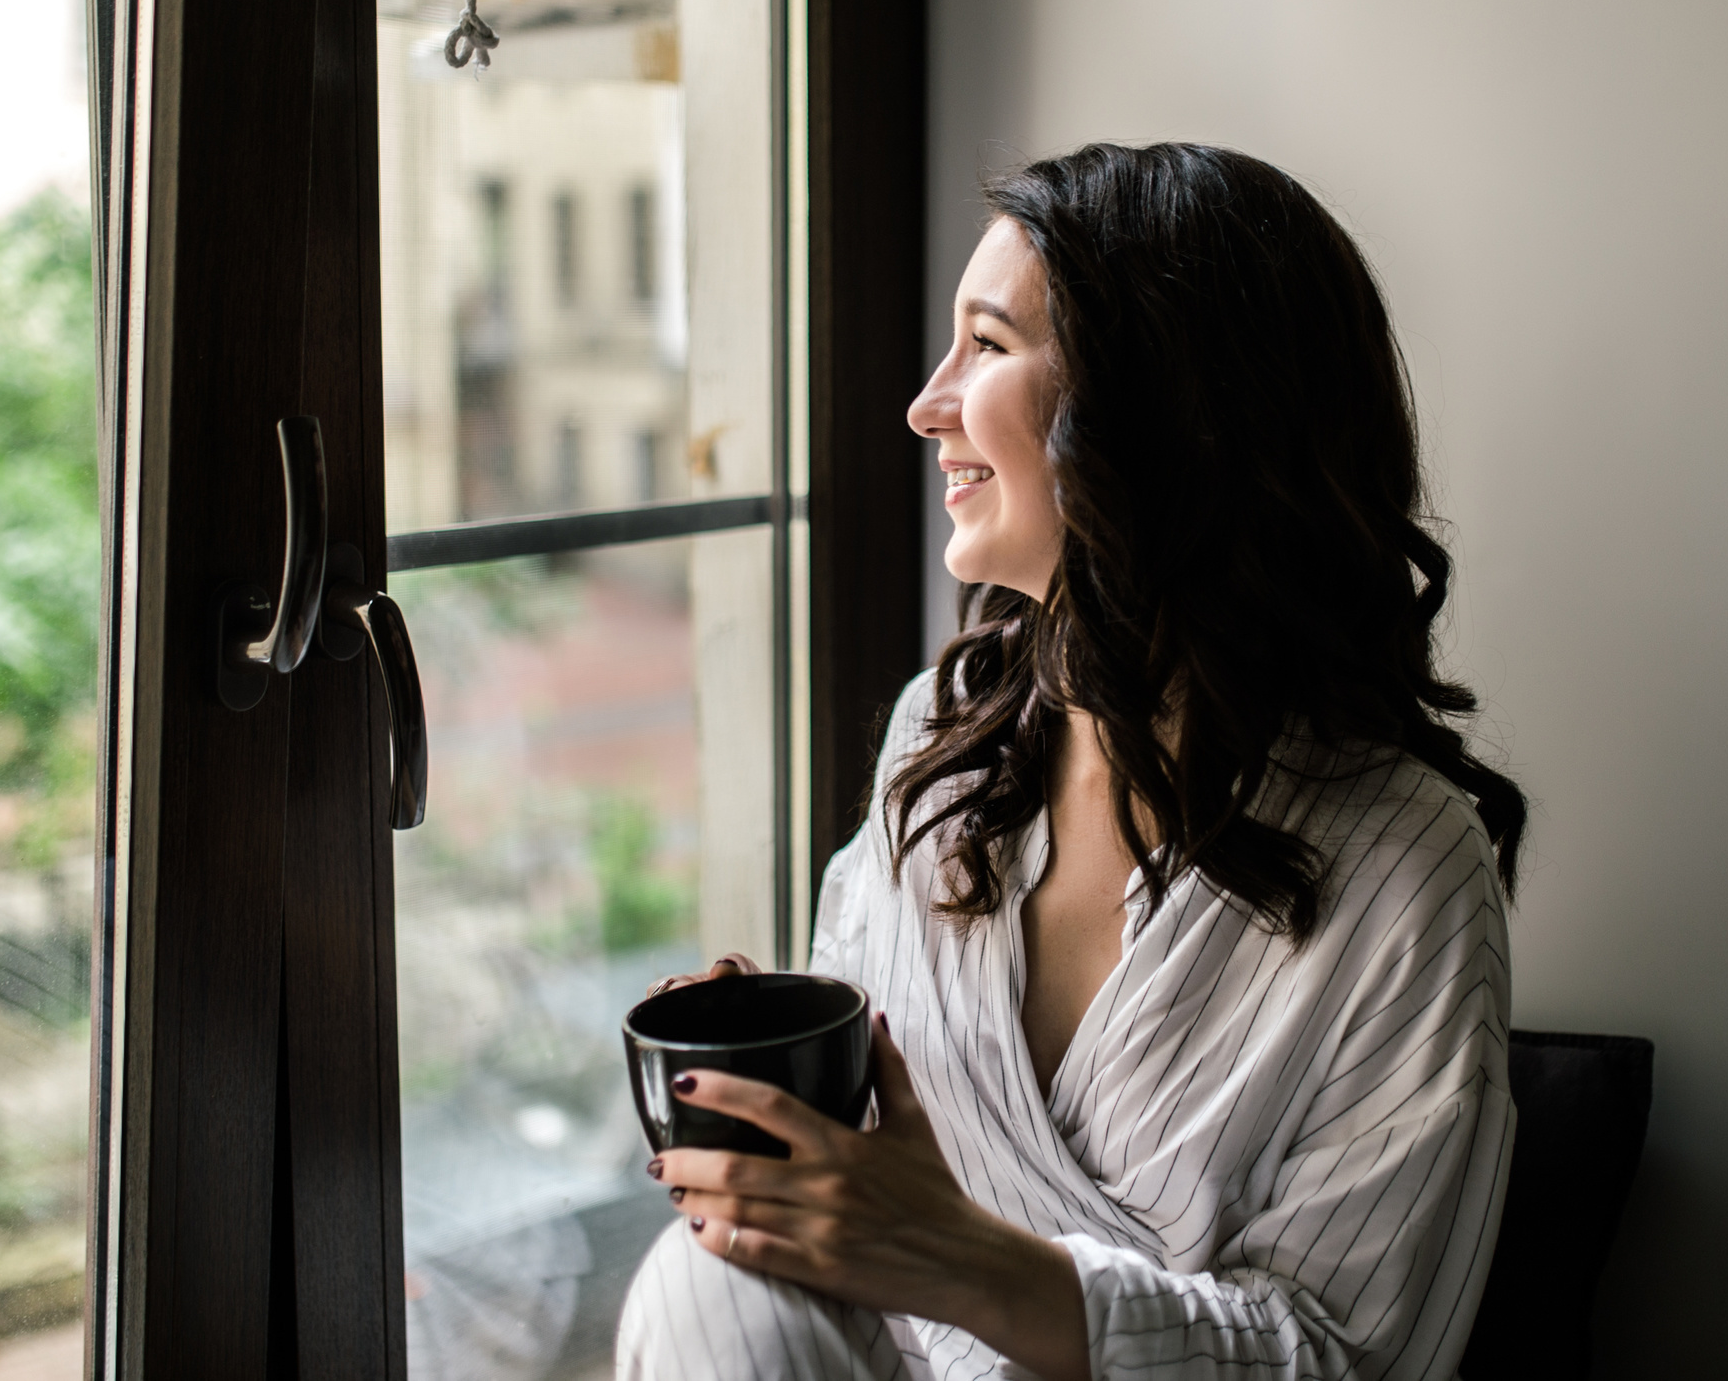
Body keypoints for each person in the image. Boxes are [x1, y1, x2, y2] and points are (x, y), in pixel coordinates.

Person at [619, 142, 1524, 1381]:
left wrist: (969, 1263)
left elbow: (1349, 1359)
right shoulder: (942, 744)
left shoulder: (1407, 869)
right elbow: (883, 1148)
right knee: (707, 1282)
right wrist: (785, 1085)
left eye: (985, 347)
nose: (925, 404)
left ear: (1164, 413)